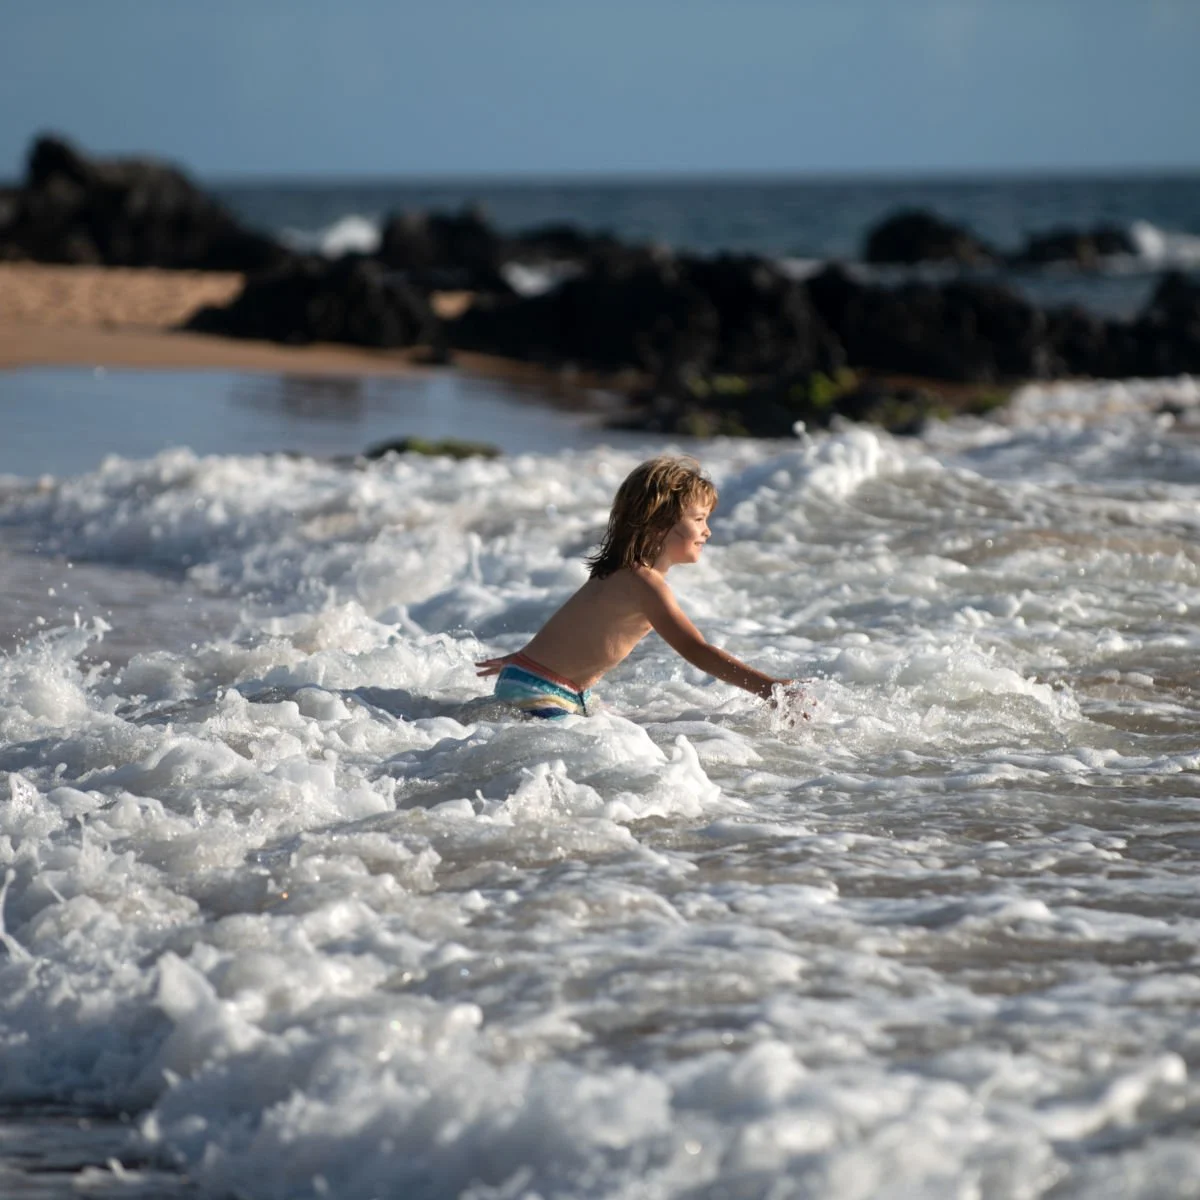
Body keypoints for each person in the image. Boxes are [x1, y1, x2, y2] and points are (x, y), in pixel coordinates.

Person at [476, 455, 803, 719]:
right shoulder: (645, 584)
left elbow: (574, 628)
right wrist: (769, 688)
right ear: (660, 523)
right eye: (700, 519)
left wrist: (521, 660)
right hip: (543, 689)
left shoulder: (619, 571)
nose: (708, 532)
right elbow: (696, 651)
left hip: (539, 680)